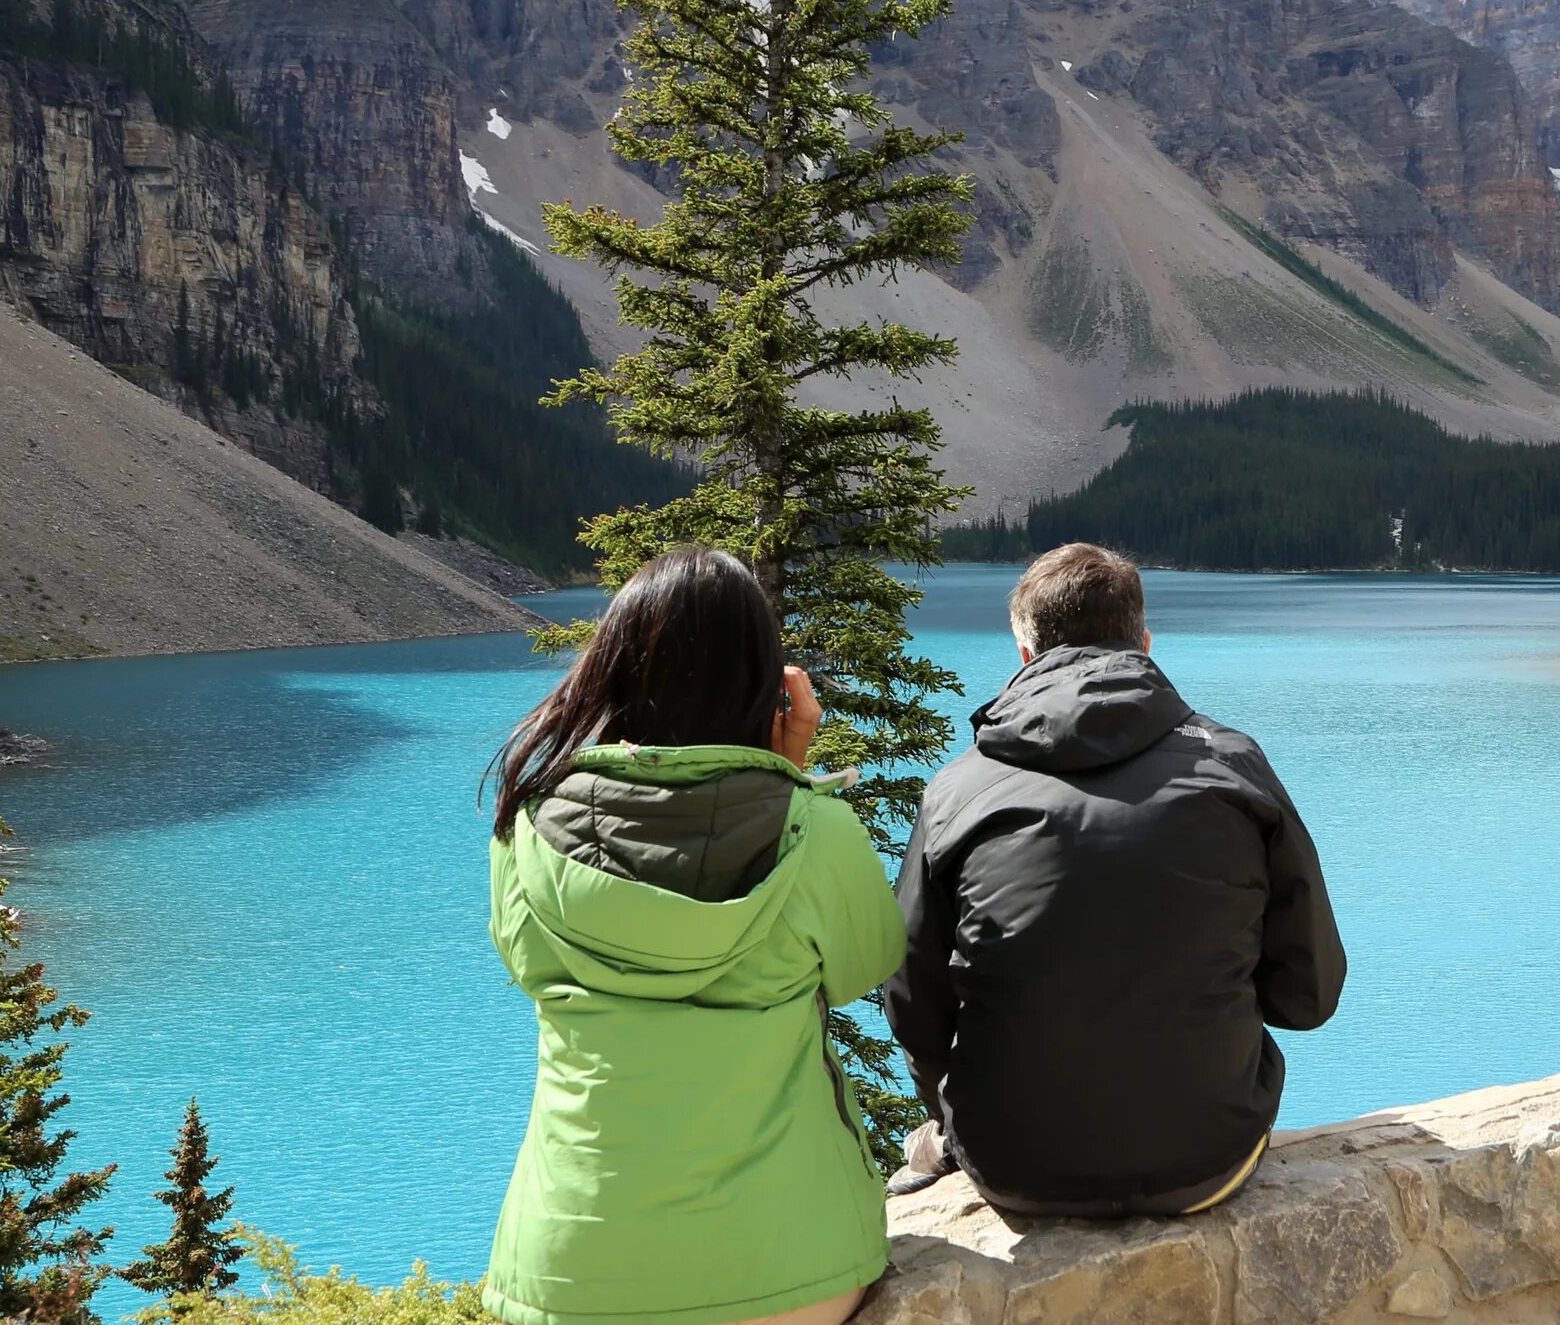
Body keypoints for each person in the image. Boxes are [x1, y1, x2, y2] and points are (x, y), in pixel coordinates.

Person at [481, 546, 903, 1325]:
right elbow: (863, 965)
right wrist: (790, 772)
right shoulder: (817, 830)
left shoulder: (526, 832)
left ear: (609, 670)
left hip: (570, 1279)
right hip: (792, 1272)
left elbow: (523, 965)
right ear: (767, 682)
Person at [884, 543, 1347, 1218]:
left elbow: (911, 1002)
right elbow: (1310, 995)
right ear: (1145, 644)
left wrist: (954, 1112)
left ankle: (936, 1148)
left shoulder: (958, 791)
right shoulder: (1233, 765)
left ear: (1024, 655)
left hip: (1014, 1167)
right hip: (1208, 1156)